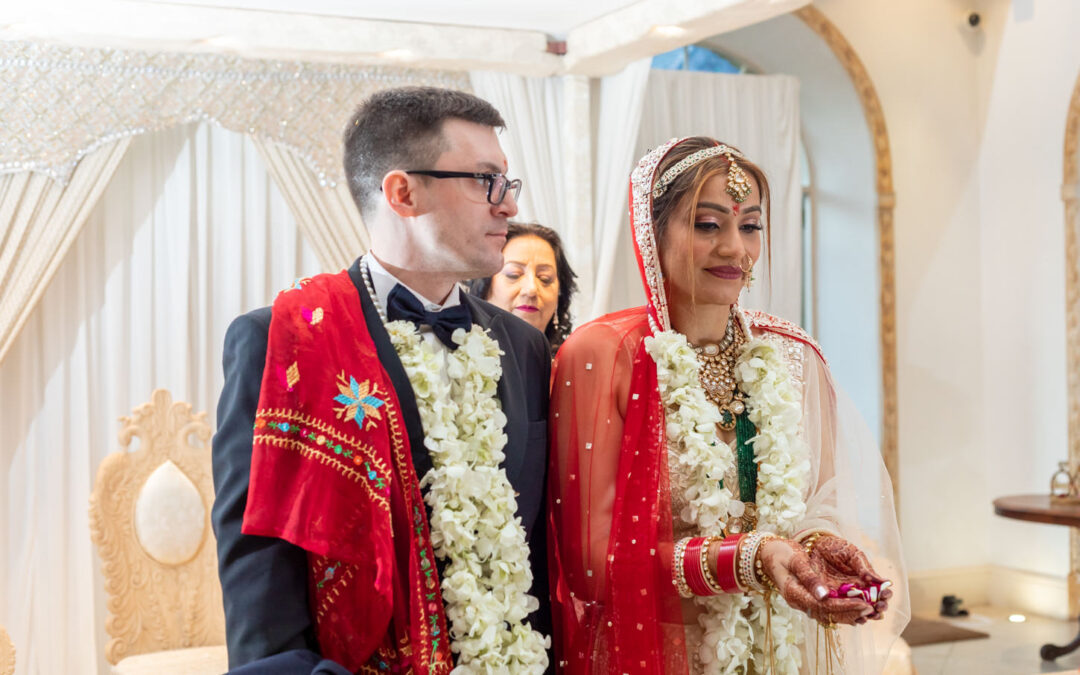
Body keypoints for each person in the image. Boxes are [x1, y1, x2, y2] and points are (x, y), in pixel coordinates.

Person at [211, 86, 552, 674]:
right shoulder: (283, 339)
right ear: (403, 193)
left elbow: (537, 543)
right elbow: (260, 560)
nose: (509, 206)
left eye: (507, 183)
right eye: (485, 181)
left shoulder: (522, 345)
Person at [547, 137, 908, 673]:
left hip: (779, 648)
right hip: (657, 654)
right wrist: (750, 559)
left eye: (751, 226)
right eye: (708, 225)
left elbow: (822, 502)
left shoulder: (793, 356)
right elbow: (593, 565)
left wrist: (818, 550)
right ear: (651, 233)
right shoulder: (605, 355)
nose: (735, 249)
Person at [468, 221, 578, 351]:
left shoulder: (571, 361)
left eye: (545, 278)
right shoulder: (455, 354)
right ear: (483, 286)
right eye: (514, 275)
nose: (531, 289)